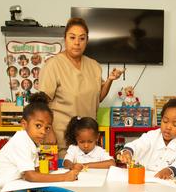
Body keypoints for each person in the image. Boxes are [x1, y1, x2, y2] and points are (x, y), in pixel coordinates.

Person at [0, 92, 80, 192]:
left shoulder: (32, 143)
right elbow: (30, 175)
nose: (43, 131)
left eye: (47, 128)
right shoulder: (21, 140)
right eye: (38, 125)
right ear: (24, 124)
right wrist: (65, 177)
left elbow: (36, 172)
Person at [39, 17, 124, 156]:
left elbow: (98, 98)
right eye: (72, 37)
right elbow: (40, 104)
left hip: (87, 141)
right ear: (65, 38)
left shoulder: (94, 66)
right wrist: (48, 131)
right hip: (61, 139)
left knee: (88, 175)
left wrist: (110, 80)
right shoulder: (53, 65)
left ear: (87, 41)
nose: (77, 43)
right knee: (63, 175)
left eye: (82, 38)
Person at [116, 98, 176, 179]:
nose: (168, 127)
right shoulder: (152, 135)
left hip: (165, 183)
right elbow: (138, 145)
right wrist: (128, 152)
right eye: (165, 121)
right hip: (142, 178)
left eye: (175, 124)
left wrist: (169, 170)